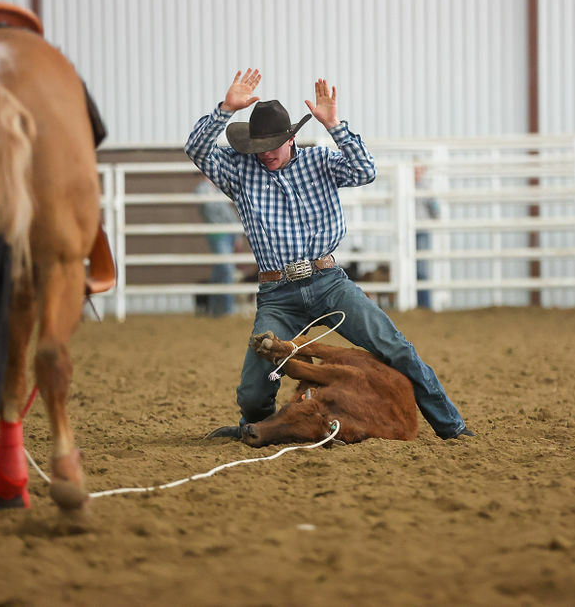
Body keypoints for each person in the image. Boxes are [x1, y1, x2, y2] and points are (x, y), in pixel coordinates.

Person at [185, 68, 474, 440]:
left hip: (327, 281)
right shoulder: (240, 170)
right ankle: (257, 426)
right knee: (254, 388)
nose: (266, 154)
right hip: (277, 293)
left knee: (394, 346)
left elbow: (365, 170)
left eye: (273, 145)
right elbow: (196, 148)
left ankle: (451, 426)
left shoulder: (318, 160)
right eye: (259, 147)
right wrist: (225, 109)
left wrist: (335, 125)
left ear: (291, 139)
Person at [195, 177, 240, 316]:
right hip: (217, 233)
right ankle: (227, 309)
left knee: (220, 270)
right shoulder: (202, 189)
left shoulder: (219, 186)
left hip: (229, 232)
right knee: (226, 268)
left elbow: (229, 212)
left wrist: (237, 234)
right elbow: (210, 207)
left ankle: (214, 308)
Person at [414, 165, 440, 309]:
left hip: (421, 230)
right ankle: (420, 304)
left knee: (421, 269)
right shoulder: (409, 185)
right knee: (414, 268)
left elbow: (435, 208)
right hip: (413, 231)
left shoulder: (426, 188)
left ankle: (424, 305)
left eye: (418, 170)